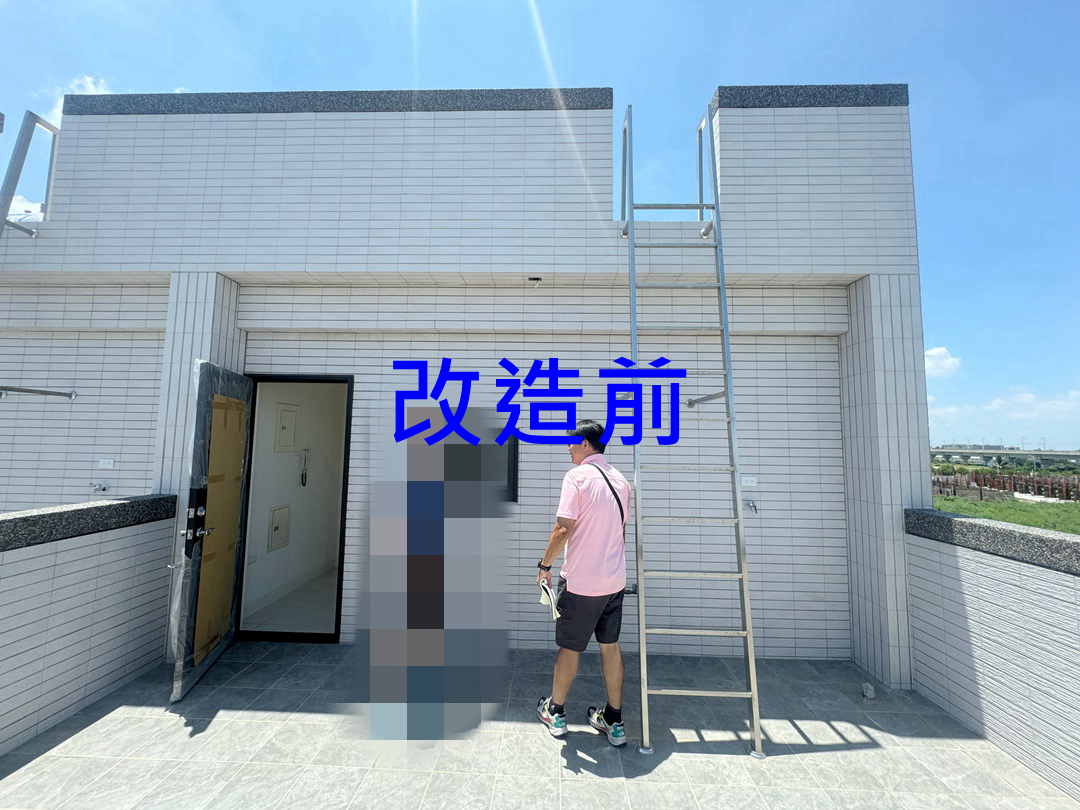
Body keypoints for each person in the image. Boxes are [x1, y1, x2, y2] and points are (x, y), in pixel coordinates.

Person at [535, 419, 631, 745]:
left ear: (586, 444)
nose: (568, 448)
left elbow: (563, 528)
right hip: (614, 582)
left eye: (572, 443)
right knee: (610, 648)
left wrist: (545, 565)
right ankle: (614, 721)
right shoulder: (621, 480)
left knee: (570, 648)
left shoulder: (576, 477)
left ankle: (556, 712)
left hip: (581, 584)